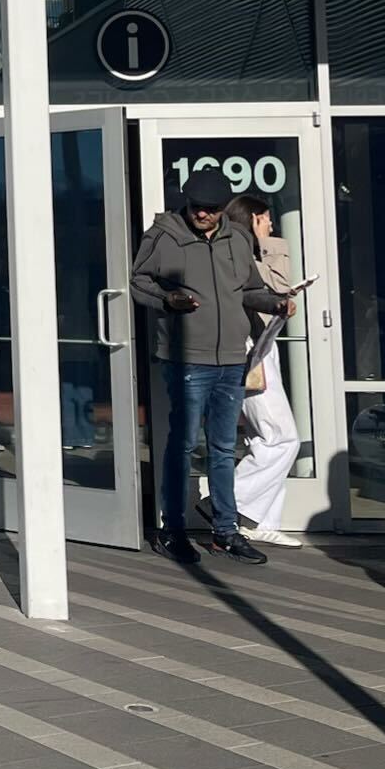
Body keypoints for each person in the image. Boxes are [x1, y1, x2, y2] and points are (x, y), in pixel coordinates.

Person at [132, 167, 292, 567]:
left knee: (223, 448)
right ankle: (172, 530)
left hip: (233, 358)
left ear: (223, 208)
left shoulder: (237, 238)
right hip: (188, 357)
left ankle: (225, 532)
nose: (203, 214)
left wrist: (274, 303)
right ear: (187, 203)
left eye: (212, 208)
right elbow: (138, 282)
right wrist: (168, 300)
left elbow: (249, 290)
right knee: (184, 444)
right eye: (197, 207)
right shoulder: (164, 236)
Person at [218, 195, 301, 548]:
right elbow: (279, 284)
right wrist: (266, 243)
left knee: (264, 437)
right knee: (281, 438)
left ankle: (260, 521)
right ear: (251, 220)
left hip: (263, 347)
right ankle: (227, 501)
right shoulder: (240, 257)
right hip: (249, 352)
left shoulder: (248, 255)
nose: (270, 224)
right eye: (265, 218)